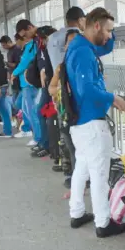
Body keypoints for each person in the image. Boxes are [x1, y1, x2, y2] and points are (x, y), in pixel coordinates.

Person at [65, 7, 125, 237]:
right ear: (96, 26)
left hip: (79, 124)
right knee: (99, 174)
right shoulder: (83, 53)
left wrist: (113, 32)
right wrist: (113, 97)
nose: (110, 36)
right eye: (109, 30)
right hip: (91, 123)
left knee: (81, 168)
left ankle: (77, 212)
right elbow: (87, 91)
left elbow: (106, 45)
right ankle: (103, 223)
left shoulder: (79, 46)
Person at [47, 7, 85, 176]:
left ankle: (67, 169)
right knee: (75, 139)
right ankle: (76, 173)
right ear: (80, 20)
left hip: (60, 96)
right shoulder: (77, 36)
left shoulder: (52, 38)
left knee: (65, 133)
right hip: (71, 99)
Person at [49, 29, 80, 189]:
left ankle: (80, 179)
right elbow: (51, 88)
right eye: (69, 42)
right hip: (66, 113)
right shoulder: (61, 67)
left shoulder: (87, 62)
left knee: (80, 149)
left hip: (83, 114)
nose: (72, 45)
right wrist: (62, 92)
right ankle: (72, 177)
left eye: (76, 41)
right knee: (69, 146)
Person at [12, 20, 40, 148]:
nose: (24, 38)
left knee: (32, 112)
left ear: (30, 27)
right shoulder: (31, 44)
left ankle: (38, 138)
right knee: (27, 111)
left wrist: (14, 73)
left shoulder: (34, 44)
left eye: (24, 35)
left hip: (30, 83)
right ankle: (30, 131)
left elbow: (25, 63)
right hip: (26, 84)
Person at [30, 25, 56, 158]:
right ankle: (47, 144)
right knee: (43, 113)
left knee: (45, 114)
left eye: (42, 38)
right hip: (48, 86)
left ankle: (49, 146)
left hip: (54, 87)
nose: (41, 41)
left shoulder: (54, 48)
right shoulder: (44, 48)